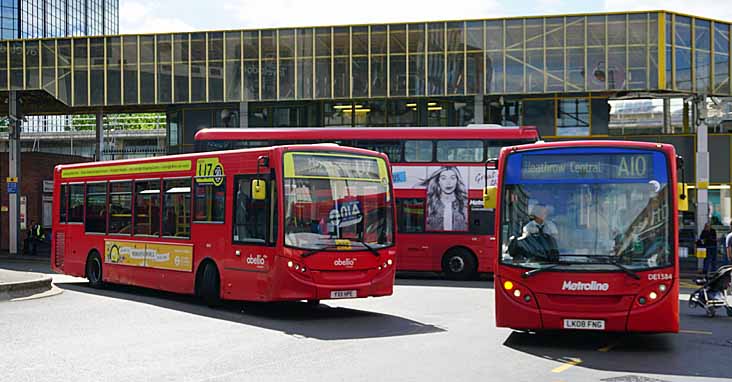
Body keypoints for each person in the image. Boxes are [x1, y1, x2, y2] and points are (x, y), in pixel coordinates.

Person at [420, 166, 468, 231]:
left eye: (453, 178)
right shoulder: (430, 203)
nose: (448, 182)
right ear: (438, 181)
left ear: (457, 181)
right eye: (443, 178)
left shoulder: (465, 203)